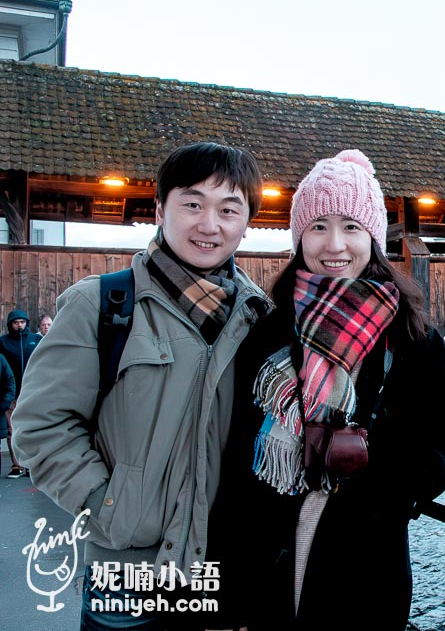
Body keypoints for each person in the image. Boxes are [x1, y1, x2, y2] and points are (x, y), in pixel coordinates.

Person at [12, 142, 268, 629]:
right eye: (192, 204)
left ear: (246, 221)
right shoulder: (101, 305)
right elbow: (40, 426)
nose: (209, 224)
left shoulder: (259, 318)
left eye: (228, 209)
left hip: (224, 571)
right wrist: (107, 507)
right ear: (159, 209)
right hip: (125, 574)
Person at [210, 149, 445, 630]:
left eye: (351, 227)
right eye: (318, 226)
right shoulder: (266, 330)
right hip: (268, 556)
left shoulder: (411, 337)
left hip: (365, 559)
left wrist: (382, 505)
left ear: (373, 237)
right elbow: (235, 453)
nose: (335, 244)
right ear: (298, 237)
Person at [0, 309, 42, 477]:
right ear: (10, 324)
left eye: (22, 322)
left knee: (33, 428)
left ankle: (32, 464)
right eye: (16, 322)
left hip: (33, 392)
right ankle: (17, 465)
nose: (19, 325)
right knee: (12, 430)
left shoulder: (35, 340)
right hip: (12, 393)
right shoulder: (3, 342)